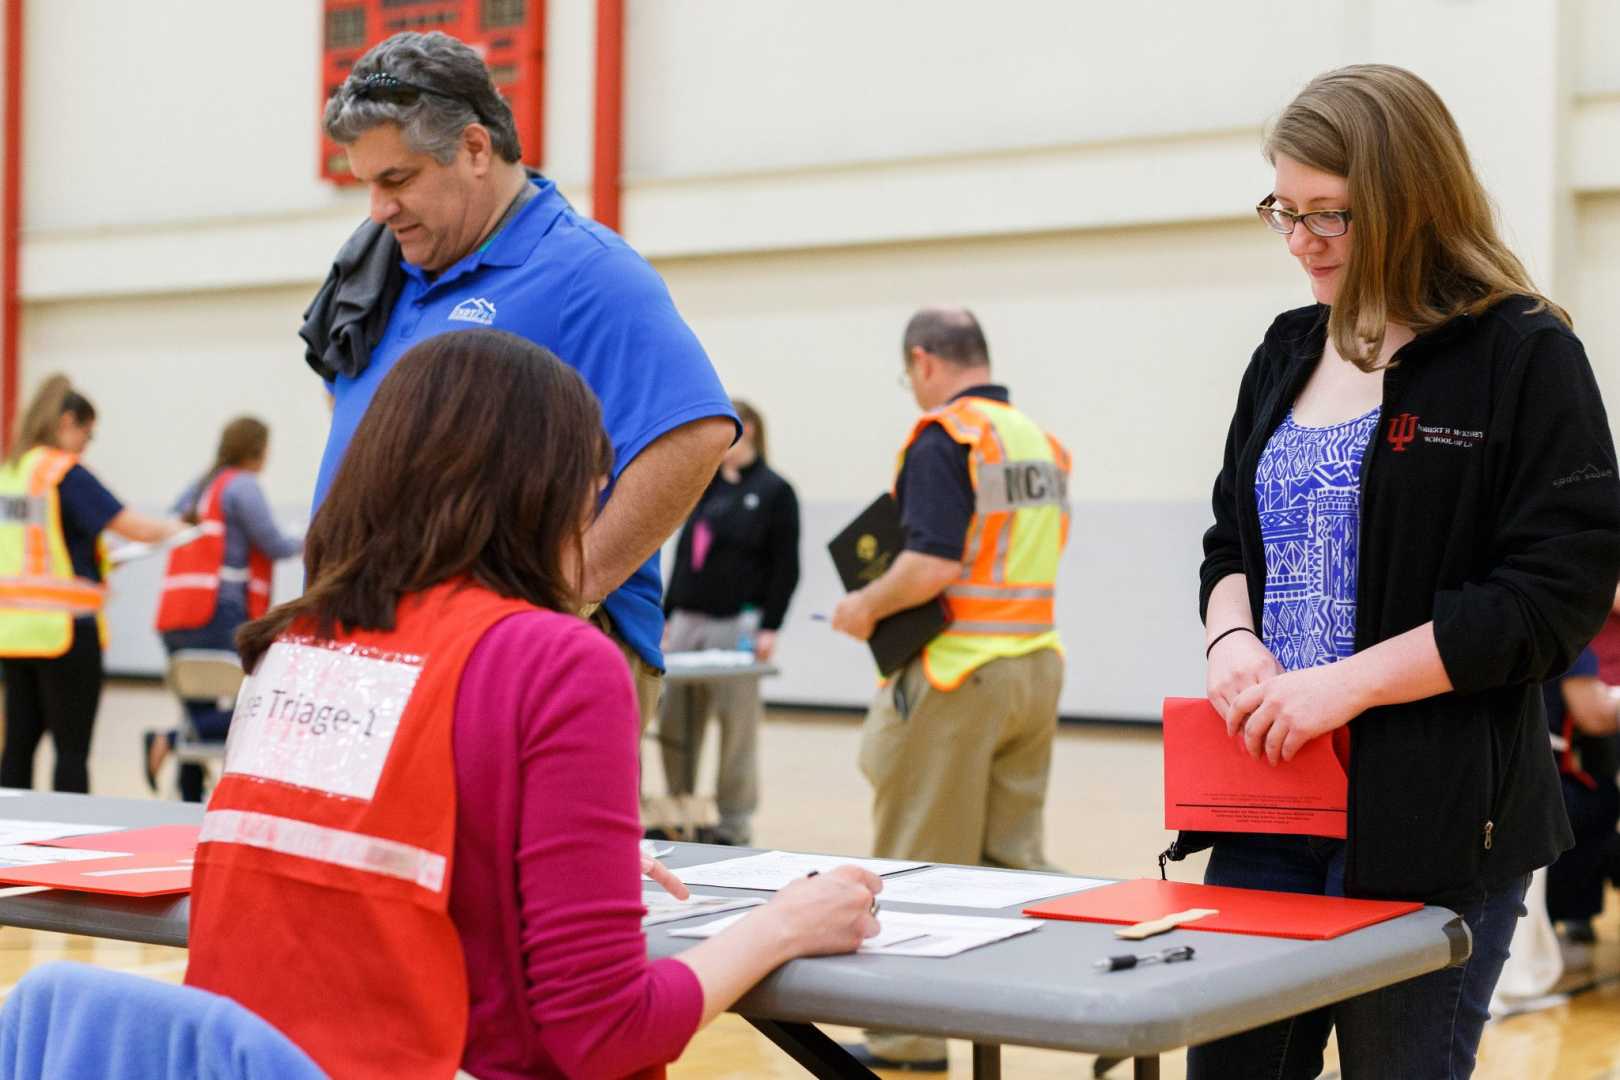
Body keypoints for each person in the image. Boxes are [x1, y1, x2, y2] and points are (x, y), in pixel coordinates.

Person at [185, 329, 880, 1079]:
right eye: (596, 485)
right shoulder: (555, 662)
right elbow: (606, 1031)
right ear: (550, 489)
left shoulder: (296, 646)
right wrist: (781, 925)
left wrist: (559, 855)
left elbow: (363, 862)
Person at [1179, 65, 1620, 1079]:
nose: (1302, 243)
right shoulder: (1287, 348)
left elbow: (1551, 595)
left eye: (1330, 215)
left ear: (1408, 200)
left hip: (1440, 810)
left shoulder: (1522, 352)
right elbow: (1227, 540)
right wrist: (1232, 637)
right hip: (1271, 796)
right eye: (1283, 212)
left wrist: (1342, 686)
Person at [304, 32, 736, 727]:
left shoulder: (585, 272)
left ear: (476, 149)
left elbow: (695, 433)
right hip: (378, 652)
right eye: (367, 184)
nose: (377, 210)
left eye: (398, 180)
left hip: (517, 667)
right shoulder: (382, 271)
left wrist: (566, 594)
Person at [830, 306, 1070, 1071]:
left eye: (910, 376)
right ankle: (1056, 1000)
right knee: (1009, 861)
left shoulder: (947, 435)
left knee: (917, 857)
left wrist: (861, 607)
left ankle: (907, 1040)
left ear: (925, 361)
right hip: (1033, 666)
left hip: (957, 674)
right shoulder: (1038, 440)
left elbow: (931, 566)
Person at [0, 376, 182, 793]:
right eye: (88, 433)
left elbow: (42, 545)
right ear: (68, 421)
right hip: (66, 630)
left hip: (14, 632)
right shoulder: (63, 472)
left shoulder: (12, 471)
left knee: (17, 748)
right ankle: (68, 842)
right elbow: (133, 526)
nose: (86, 444)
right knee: (72, 750)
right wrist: (178, 529)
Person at [660, 399, 801, 846]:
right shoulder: (704, 487)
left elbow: (785, 567)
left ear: (753, 432)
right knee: (674, 721)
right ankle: (679, 811)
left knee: (737, 727)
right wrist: (664, 616)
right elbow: (683, 557)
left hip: (737, 623)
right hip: (686, 620)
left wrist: (770, 626)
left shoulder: (776, 491)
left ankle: (733, 822)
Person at [145, 417, 302, 802]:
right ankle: (168, 739)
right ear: (257, 449)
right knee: (255, 704)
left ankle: (187, 795)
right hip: (219, 611)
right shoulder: (243, 486)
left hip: (177, 615)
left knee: (197, 712)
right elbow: (275, 544)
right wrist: (313, 538)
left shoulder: (200, 487)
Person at [1541, 648, 1620, 945]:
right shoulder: (1574, 647)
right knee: (1600, 801)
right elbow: (1595, 715)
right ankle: (1575, 914)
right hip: (1551, 781)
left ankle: (1576, 914)